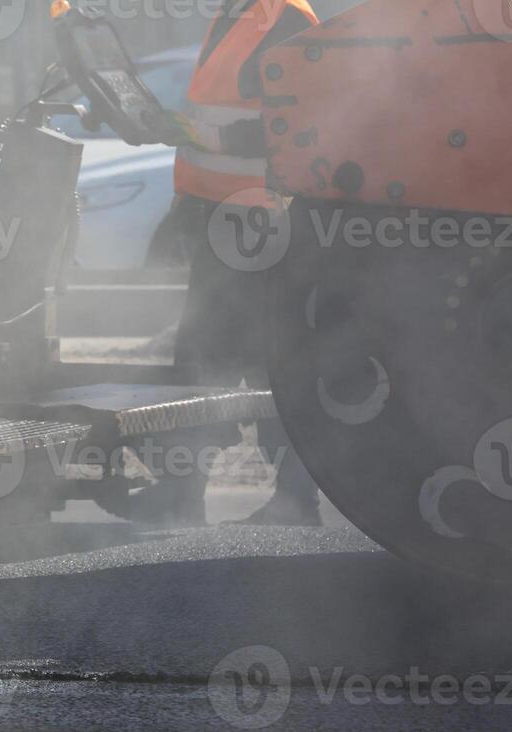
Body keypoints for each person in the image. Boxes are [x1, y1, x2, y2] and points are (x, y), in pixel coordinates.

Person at [166, 0, 321, 526]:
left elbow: (306, 126)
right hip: (220, 220)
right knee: (208, 363)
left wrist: (213, 140)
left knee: (247, 362)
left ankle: (291, 499)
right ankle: (192, 497)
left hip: (257, 225)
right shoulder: (232, 17)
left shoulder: (287, 21)